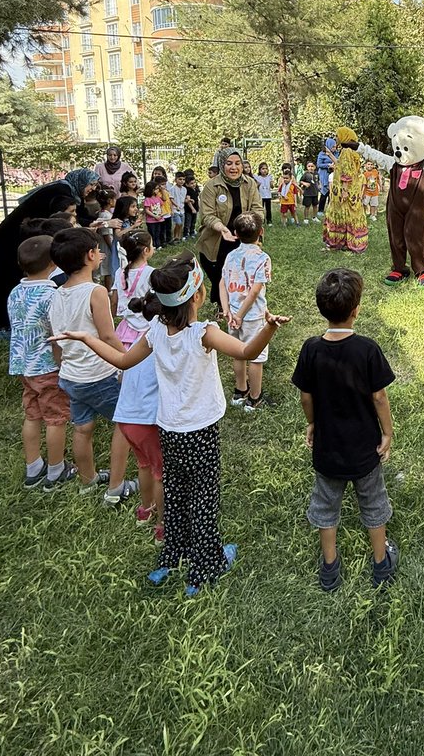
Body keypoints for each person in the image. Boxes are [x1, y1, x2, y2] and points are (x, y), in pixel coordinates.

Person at [53, 254, 286, 594]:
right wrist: (269, 326)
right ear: (197, 297)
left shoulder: (154, 333)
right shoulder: (204, 334)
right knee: (204, 497)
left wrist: (87, 339)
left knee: (176, 495)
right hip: (200, 431)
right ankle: (205, 569)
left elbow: (121, 359)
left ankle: (171, 557)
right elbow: (247, 352)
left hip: (168, 430)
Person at [292, 268, 398, 592]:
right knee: (374, 503)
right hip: (365, 449)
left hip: (328, 448)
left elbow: (305, 396)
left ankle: (329, 567)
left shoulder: (311, 348)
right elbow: (379, 397)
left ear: (321, 308)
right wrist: (388, 433)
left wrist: (312, 423)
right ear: (356, 310)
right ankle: (381, 563)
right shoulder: (367, 349)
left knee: (326, 506)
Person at [47, 227, 137, 505]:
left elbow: (56, 341)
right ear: (90, 255)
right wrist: (129, 362)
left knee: (82, 428)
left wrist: (62, 366)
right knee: (125, 424)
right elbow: (108, 335)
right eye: (98, 250)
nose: (101, 253)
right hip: (99, 375)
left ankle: (88, 480)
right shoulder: (95, 292)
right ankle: (116, 487)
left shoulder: (55, 295)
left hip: (71, 377)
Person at [0, 168, 100, 336]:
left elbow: (74, 219)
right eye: (91, 184)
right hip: (14, 234)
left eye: (95, 184)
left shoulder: (68, 190)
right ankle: (0, 325)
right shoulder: (62, 194)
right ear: (81, 181)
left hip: (27, 230)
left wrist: (95, 223)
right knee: (9, 275)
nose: (93, 188)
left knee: (19, 276)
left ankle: (18, 317)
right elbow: (61, 221)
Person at [8, 235, 76, 491]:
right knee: (56, 418)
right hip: (47, 367)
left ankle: (33, 466)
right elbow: (56, 336)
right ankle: (56, 471)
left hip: (24, 366)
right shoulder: (52, 295)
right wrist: (63, 364)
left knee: (32, 414)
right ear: (54, 263)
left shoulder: (15, 292)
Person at [110, 232, 161, 539]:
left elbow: (118, 300)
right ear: (146, 250)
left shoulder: (120, 270)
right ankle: (162, 526)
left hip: (126, 334)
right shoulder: (151, 274)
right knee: (159, 470)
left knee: (144, 464)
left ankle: (145, 509)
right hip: (144, 334)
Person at [220, 211, 273, 410]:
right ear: (261, 231)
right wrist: (241, 316)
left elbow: (222, 282)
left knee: (238, 353)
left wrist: (227, 311)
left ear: (235, 233)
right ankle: (254, 399)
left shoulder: (230, 255)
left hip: (233, 315)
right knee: (256, 357)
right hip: (252, 316)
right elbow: (254, 292)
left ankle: (240, 391)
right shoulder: (263, 258)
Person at [198, 147, 261, 303]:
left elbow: (257, 208)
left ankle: (236, 301)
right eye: (229, 163)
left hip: (244, 236)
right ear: (221, 165)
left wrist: (254, 226)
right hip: (218, 237)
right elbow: (207, 215)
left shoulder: (250, 183)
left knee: (240, 272)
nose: (234, 167)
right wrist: (222, 228)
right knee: (219, 272)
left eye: (237, 163)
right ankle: (221, 303)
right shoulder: (211, 186)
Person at [322, 129, 367, 252]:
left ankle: (339, 243)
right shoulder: (350, 151)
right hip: (352, 190)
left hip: (345, 189)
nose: (336, 138)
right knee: (350, 216)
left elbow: (346, 172)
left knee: (344, 214)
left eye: (338, 135)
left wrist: (345, 190)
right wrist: (330, 155)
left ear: (344, 136)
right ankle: (349, 242)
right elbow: (341, 166)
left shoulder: (346, 151)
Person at [142, 180, 168, 250]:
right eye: (156, 189)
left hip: (159, 219)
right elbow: (147, 210)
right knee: (152, 233)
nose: (158, 190)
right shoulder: (147, 199)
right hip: (151, 221)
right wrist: (154, 216)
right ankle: (152, 246)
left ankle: (158, 245)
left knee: (158, 233)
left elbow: (161, 206)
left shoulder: (158, 198)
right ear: (151, 190)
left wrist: (162, 214)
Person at [316, 138, 337, 216]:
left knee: (332, 193)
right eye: (333, 147)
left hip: (333, 175)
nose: (334, 148)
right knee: (324, 192)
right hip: (324, 175)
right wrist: (328, 165)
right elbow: (319, 165)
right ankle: (320, 210)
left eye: (335, 147)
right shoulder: (322, 154)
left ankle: (330, 209)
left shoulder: (336, 154)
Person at [169, 172, 187, 244]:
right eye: (180, 179)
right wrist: (176, 205)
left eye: (183, 179)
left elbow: (183, 199)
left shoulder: (184, 189)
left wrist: (188, 200)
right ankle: (175, 236)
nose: (182, 181)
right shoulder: (172, 188)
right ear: (175, 180)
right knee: (178, 223)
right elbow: (171, 199)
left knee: (181, 224)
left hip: (182, 209)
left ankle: (179, 237)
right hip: (175, 209)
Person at [182, 170, 199, 239]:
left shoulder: (195, 189)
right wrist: (192, 209)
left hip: (195, 208)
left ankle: (192, 232)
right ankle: (185, 234)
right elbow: (188, 201)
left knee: (193, 222)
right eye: (191, 183)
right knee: (188, 222)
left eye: (194, 182)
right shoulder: (188, 190)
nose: (194, 184)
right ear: (187, 184)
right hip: (189, 210)